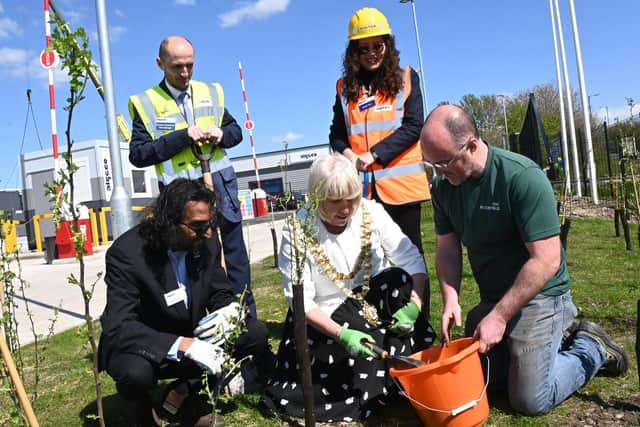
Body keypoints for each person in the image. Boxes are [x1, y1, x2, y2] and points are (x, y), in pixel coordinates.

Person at [420, 104, 629, 415]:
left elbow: (546, 261)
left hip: (541, 296)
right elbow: (448, 249)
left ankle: (592, 346)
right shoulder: (443, 187)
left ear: (473, 145)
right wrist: (451, 298)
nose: (438, 173)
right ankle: (545, 345)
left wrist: (500, 317)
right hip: (495, 297)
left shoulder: (522, 178)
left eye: (445, 162)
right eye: (431, 164)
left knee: (530, 399)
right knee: (485, 381)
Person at [261, 154, 435, 422]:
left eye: (352, 198)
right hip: (327, 318)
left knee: (398, 278)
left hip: (372, 303)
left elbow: (411, 260)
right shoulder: (297, 229)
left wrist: (415, 305)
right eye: (335, 201)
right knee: (361, 352)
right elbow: (301, 302)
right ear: (317, 196)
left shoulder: (371, 212)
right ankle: (385, 382)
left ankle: (398, 371)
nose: (346, 208)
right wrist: (342, 335)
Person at [98, 179, 274, 426]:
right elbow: (119, 325)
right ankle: (144, 414)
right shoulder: (127, 253)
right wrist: (183, 345)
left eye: (211, 223)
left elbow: (219, 291)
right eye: (199, 226)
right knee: (134, 373)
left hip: (191, 331)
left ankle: (189, 396)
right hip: (147, 343)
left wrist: (229, 310)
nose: (209, 232)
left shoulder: (205, 240)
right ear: (168, 221)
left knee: (253, 332)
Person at [128, 35, 255, 318]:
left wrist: (222, 134)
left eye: (190, 65)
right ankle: (202, 326)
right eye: (177, 67)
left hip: (219, 184)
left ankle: (246, 324)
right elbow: (139, 155)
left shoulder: (211, 92)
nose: (184, 73)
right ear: (160, 64)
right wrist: (182, 137)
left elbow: (236, 132)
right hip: (181, 197)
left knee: (234, 258)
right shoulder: (146, 102)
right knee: (196, 261)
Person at [329, 7, 430, 256]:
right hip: (362, 191)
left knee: (410, 257)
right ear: (354, 52)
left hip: (401, 190)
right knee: (368, 259)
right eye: (364, 48)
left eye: (378, 46)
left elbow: (415, 126)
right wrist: (351, 157)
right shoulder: (344, 87)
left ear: (388, 45)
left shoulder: (406, 78)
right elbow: (337, 134)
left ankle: (415, 298)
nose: (372, 53)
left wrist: (374, 155)